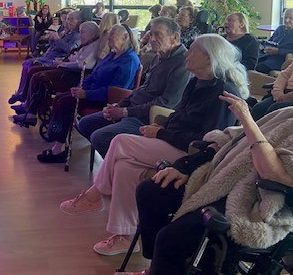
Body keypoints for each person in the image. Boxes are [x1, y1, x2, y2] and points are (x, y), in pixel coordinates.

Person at [59, 34, 248, 257]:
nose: (187, 54)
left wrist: (161, 133)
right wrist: (160, 127)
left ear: (209, 58)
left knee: (120, 141)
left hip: (192, 156)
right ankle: (124, 236)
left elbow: (208, 141)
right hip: (174, 142)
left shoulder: (223, 93)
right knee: (124, 166)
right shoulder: (197, 82)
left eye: (193, 51)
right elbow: (179, 116)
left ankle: (94, 194)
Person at [131, 62, 293, 275]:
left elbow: (273, 172)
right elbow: (232, 137)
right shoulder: (291, 113)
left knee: (172, 238)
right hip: (222, 178)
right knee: (151, 191)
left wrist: (246, 119)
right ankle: (156, 267)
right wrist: (187, 166)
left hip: (257, 205)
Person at [77, 17, 190, 157]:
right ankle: (115, 159)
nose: (151, 39)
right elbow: (143, 88)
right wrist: (120, 105)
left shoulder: (183, 64)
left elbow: (166, 103)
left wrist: (125, 112)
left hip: (149, 118)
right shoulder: (158, 56)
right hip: (133, 109)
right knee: (85, 123)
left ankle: (120, 163)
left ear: (175, 37)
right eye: (151, 34)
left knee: (100, 137)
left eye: (158, 34)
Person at [35, 24, 141, 162]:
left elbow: (114, 91)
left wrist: (86, 94)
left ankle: (57, 148)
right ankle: (56, 136)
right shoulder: (112, 54)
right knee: (60, 97)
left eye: (112, 35)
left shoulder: (129, 60)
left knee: (64, 102)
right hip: (90, 91)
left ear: (125, 37)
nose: (108, 38)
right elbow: (94, 74)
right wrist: (81, 86)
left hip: (105, 99)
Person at [11, 21, 100, 117]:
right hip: (63, 65)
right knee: (33, 70)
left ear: (92, 33)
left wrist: (63, 63)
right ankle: (26, 102)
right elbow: (74, 57)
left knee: (38, 76)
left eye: (82, 32)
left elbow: (80, 65)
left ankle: (30, 111)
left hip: (71, 75)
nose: (80, 35)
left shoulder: (93, 46)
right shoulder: (85, 43)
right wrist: (63, 59)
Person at [8, 11, 81, 104]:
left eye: (71, 19)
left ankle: (24, 97)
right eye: (67, 19)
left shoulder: (77, 35)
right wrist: (52, 39)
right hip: (49, 56)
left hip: (57, 60)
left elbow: (70, 49)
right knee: (27, 63)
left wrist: (57, 39)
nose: (68, 22)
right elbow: (54, 45)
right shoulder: (66, 32)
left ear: (79, 21)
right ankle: (22, 95)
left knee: (30, 65)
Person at [252, 25, 293, 120]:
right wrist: (278, 92)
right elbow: (284, 74)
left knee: (274, 110)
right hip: (284, 92)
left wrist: (291, 95)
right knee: (258, 108)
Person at [256, 8, 293, 73]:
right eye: (285, 17)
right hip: (267, 55)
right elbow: (269, 42)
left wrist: (279, 51)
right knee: (250, 62)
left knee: (259, 67)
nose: (287, 20)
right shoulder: (280, 28)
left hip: (281, 59)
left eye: (291, 18)